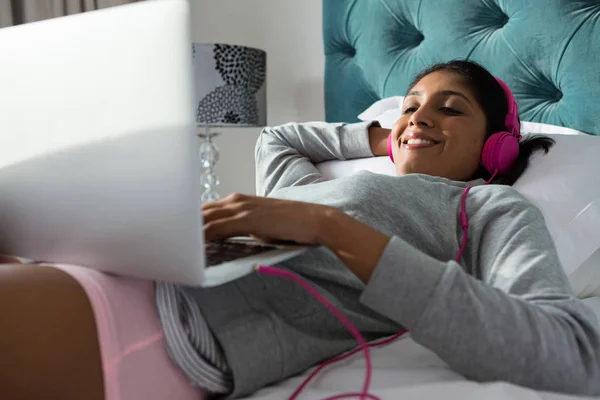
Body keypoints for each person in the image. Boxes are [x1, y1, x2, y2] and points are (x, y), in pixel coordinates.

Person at [1, 60, 599, 400]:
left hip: (169, 320)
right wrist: (381, 136)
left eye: (451, 108)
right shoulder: (309, 186)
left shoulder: (487, 207)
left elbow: (569, 352)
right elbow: (278, 137)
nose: (418, 115)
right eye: (411, 104)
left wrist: (327, 227)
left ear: (495, 146)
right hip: (117, 261)